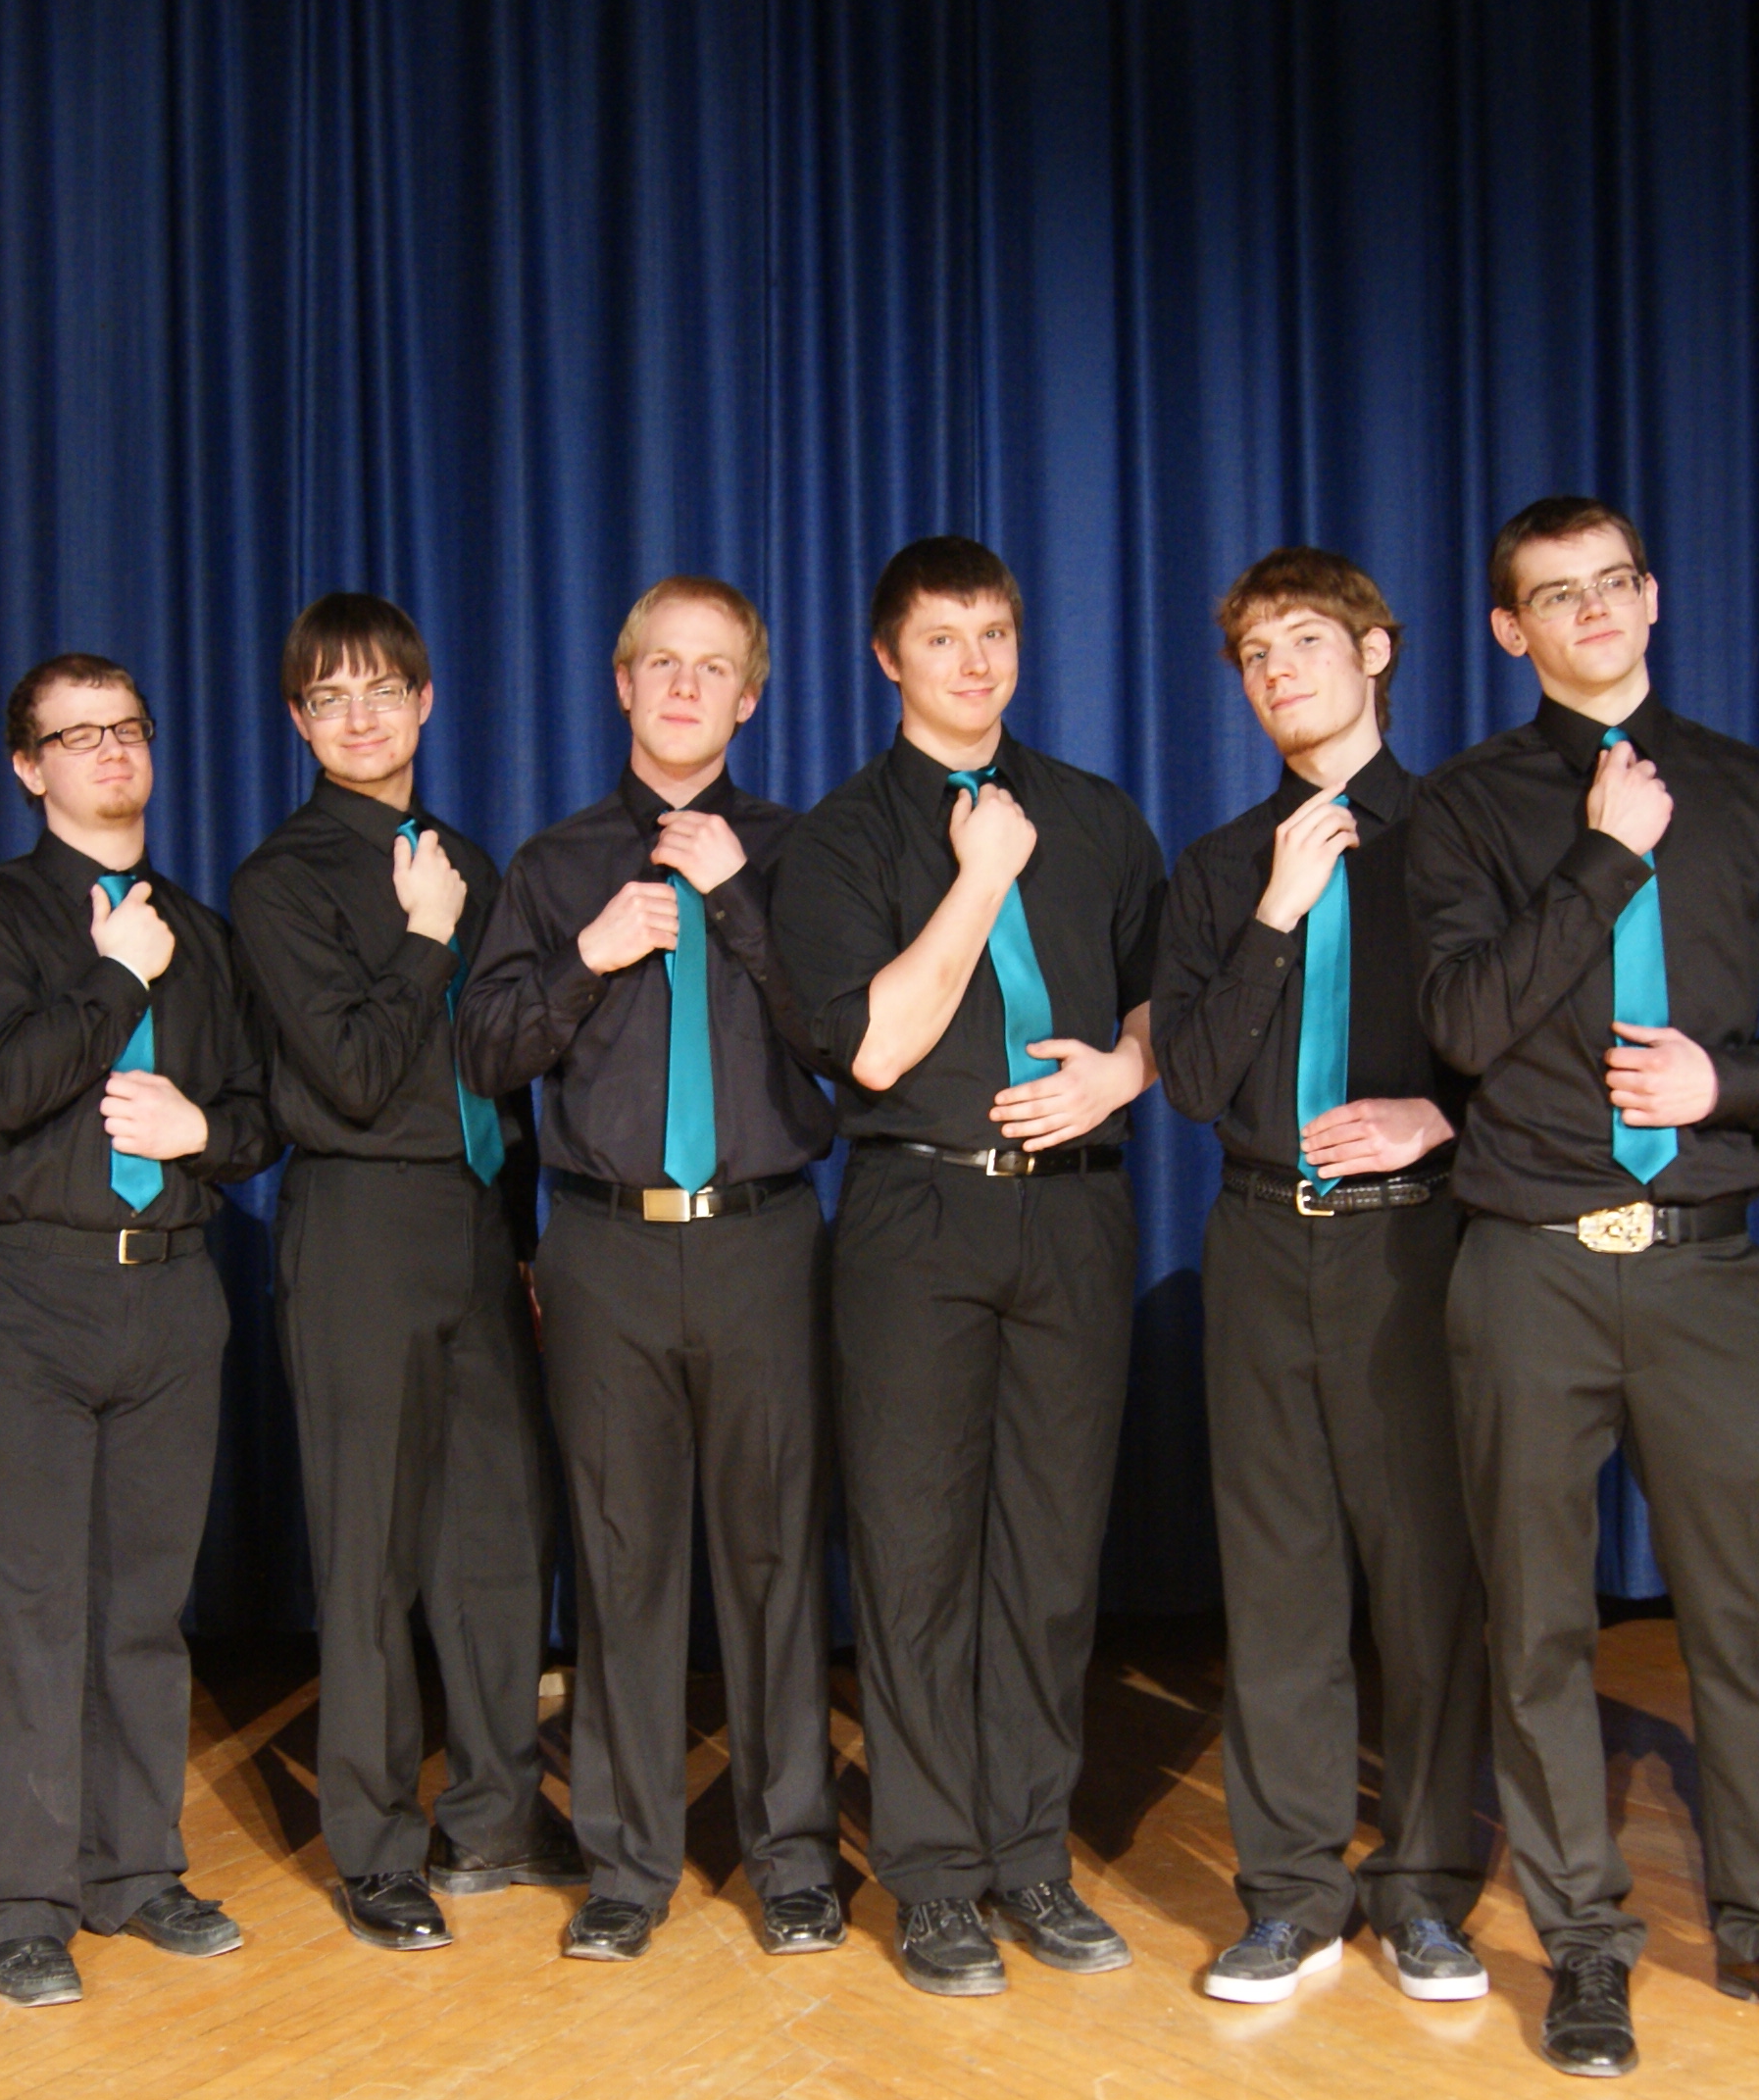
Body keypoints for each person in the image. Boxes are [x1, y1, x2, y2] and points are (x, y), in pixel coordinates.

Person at [1402, 494, 1759, 2077]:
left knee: (1746, 1614)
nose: (1594, 610)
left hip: (1705, 1273)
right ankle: (1587, 1947)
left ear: (1654, 596)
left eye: (1613, 582)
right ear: (1510, 630)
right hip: (1529, 1268)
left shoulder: (1755, 791)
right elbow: (1465, 1023)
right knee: (1539, 1623)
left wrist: (1723, 1085)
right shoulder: (1466, 808)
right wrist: (1606, 859)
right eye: (1557, 594)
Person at [769, 536, 1163, 1998]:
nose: (976, 662)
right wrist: (983, 878)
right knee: (920, 1557)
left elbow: (1165, 999)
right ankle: (934, 1879)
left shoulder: (1097, 814)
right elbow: (873, 1047)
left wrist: (1123, 1074)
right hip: (918, 1216)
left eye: (994, 632)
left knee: (1050, 1560)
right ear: (890, 659)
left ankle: (1029, 1858)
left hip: (1075, 1215)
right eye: (943, 638)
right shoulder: (842, 837)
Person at [460, 578, 847, 1963]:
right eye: (661, 664)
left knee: (776, 1558)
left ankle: (793, 1858)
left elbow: (841, 1043)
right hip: (607, 1245)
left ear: (750, 698)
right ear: (623, 686)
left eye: (714, 667)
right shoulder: (555, 865)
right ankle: (628, 1867)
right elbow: (485, 1051)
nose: (685, 686)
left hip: (763, 1238)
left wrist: (737, 904)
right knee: (620, 1558)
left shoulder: (802, 856)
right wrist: (589, 955)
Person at [1148, 549, 1492, 2006]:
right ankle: (1292, 1894)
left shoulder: (1460, 838)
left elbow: (1526, 1034)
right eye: (1255, 655)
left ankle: (1425, 1891)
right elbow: (1190, 1077)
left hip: (1413, 1240)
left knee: (1424, 1577)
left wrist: (1441, 1119)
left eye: (1305, 640)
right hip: (1259, 1237)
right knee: (1279, 1578)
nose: (1279, 671)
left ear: (1377, 651)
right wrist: (1278, 913)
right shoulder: (1224, 866)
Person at [226, 594, 578, 1951]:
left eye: (383, 690)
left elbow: (510, 1076)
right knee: (370, 1545)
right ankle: (374, 1844)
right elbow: (357, 1072)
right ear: (299, 721)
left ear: (425, 701)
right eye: (331, 698)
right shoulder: (283, 880)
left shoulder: (470, 862)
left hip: (478, 1224)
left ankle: (495, 1811)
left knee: (497, 1533)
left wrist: (530, 1244)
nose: (360, 717)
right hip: (361, 1221)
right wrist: (428, 936)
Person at [0, 655, 280, 2007]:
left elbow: (255, 1118)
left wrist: (203, 1133)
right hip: (33, 1287)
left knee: (143, 1603)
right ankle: (25, 1899)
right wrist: (117, 978)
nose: (112, 752)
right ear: (30, 768)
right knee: (25, 1604)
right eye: (77, 736)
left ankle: (136, 1867)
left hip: (173, 1286)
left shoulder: (203, 929)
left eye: (127, 728)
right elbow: (6, 1084)